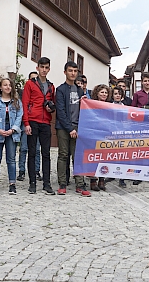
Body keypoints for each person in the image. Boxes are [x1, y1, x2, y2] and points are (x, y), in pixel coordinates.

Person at [55, 62, 91, 196]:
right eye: (70, 71)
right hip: (64, 127)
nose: (73, 73)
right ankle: (62, 184)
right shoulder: (60, 90)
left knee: (78, 156)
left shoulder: (80, 90)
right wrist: (70, 128)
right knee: (63, 155)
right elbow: (60, 111)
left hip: (78, 126)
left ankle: (80, 185)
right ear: (65, 72)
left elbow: (84, 110)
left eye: (75, 71)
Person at [21, 57, 56, 195]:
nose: (44, 70)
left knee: (46, 153)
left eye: (47, 67)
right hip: (33, 120)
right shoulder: (30, 83)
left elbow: (53, 104)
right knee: (32, 152)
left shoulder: (51, 86)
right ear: (37, 68)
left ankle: (46, 183)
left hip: (45, 122)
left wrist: (51, 109)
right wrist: (26, 123)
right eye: (42, 67)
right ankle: (32, 183)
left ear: (49, 69)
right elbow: (24, 103)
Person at [0, 78, 23, 195]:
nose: (8, 87)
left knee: (11, 159)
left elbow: (19, 116)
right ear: (0, 87)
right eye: (5, 85)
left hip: (12, 132)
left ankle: (12, 184)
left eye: (9, 85)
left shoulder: (17, 102)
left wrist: (13, 130)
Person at [17, 72, 40, 182]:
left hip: (37, 122)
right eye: (33, 78)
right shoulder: (23, 92)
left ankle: (36, 170)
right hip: (26, 122)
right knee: (24, 148)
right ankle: (21, 170)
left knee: (37, 149)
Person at [89, 84, 111, 191]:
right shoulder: (91, 105)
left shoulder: (110, 106)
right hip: (94, 133)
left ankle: (102, 180)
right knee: (95, 158)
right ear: (97, 93)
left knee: (104, 157)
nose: (104, 94)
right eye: (102, 92)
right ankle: (93, 181)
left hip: (105, 134)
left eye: (106, 92)